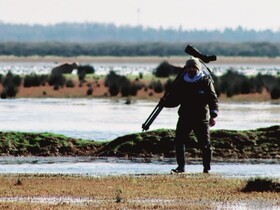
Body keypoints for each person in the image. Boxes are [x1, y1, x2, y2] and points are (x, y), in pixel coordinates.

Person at [161, 57, 219, 174]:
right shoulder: (181, 81)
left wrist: (213, 115)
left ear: (198, 68)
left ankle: (206, 168)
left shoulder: (205, 81)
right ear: (187, 68)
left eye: (194, 67)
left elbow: (213, 100)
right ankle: (180, 167)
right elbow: (175, 101)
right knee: (179, 141)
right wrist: (165, 102)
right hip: (185, 116)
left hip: (201, 118)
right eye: (189, 67)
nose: (191, 69)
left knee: (205, 144)